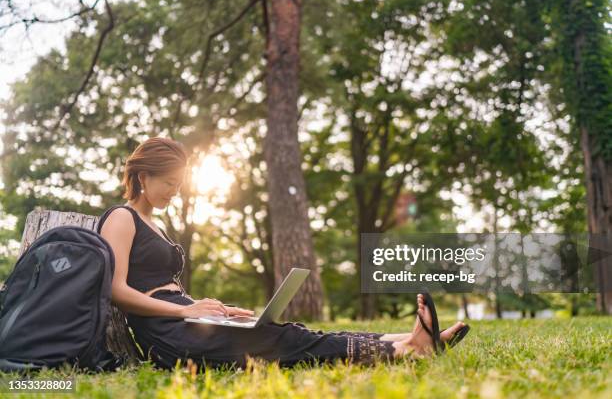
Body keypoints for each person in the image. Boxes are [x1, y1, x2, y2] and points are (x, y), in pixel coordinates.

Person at [98, 137, 469, 371]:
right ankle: (406, 349)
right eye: (169, 184)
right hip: (168, 339)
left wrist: (218, 311)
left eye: (179, 186)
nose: (174, 193)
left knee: (285, 331)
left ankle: (408, 339)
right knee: (284, 340)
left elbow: (169, 290)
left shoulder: (157, 226)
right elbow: (117, 291)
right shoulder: (121, 217)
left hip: (186, 323)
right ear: (143, 177)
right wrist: (185, 310)